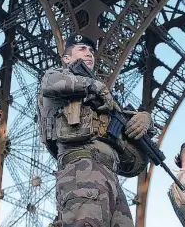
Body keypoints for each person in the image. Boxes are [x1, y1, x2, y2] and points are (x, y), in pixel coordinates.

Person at [38, 33, 154, 227]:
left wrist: (146, 120)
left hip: (110, 174)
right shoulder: (58, 76)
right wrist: (96, 86)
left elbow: (127, 126)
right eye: (81, 49)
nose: (89, 53)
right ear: (66, 58)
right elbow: (51, 83)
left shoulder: (102, 98)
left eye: (91, 50)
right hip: (82, 168)